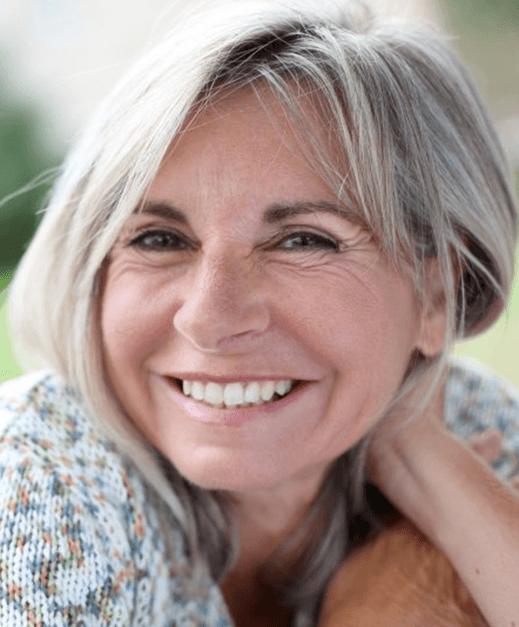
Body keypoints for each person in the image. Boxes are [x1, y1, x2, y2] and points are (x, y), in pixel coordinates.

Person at [1, 1, 518, 625]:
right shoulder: (34, 480)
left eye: (303, 240)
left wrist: (424, 465)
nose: (208, 319)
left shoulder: (475, 424)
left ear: (436, 296)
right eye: (159, 239)